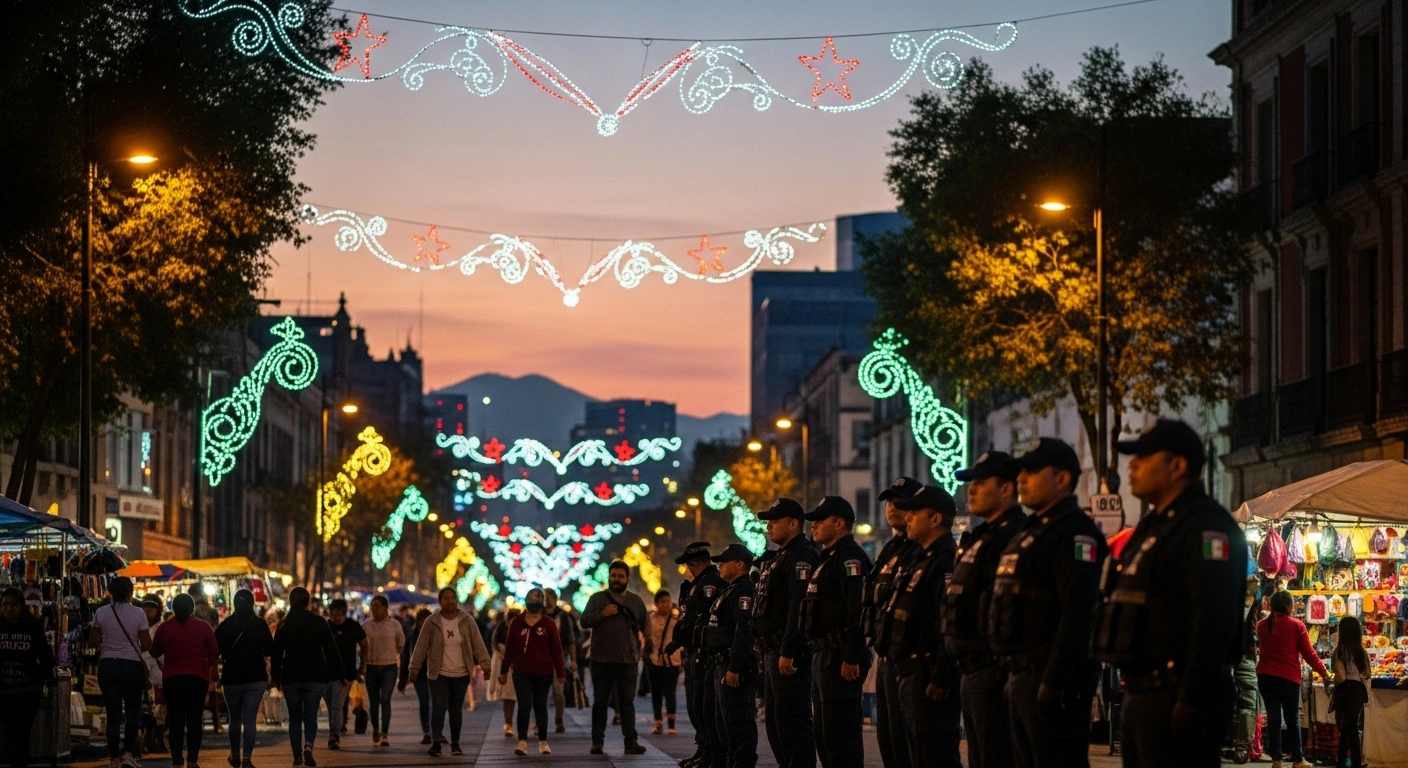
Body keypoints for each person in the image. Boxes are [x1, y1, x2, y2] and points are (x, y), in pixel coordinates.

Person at [1095, 419, 1249, 768]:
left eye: (1144, 457)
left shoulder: (1206, 526)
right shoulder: (1154, 526)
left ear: (1177, 466)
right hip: (1141, 691)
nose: (1131, 465)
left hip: (1177, 694)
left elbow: (1215, 617)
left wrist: (1191, 697)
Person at [988, 438, 1107, 768]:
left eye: (1032, 471)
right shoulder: (1033, 529)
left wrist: (1054, 679)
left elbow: (1077, 612)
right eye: (1020, 472)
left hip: (1052, 678)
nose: (1021, 478)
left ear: (1062, 478)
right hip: (1023, 672)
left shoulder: (1073, 532)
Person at [942, 453, 1024, 768]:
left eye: (980, 482)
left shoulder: (1014, 535)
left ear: (1006, 489)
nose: (971, 490)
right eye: (970, 484)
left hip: (994, 668)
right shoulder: (982, 536)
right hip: (972, 668)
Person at [886, 486, 961, 767]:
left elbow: (948, 622)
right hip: (909, 673)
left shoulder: (944, 561)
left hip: (928, 676)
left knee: (935, 755)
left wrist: (941, 675)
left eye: (915, 512)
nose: (908, 517)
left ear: (935, 519)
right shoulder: (920, 558)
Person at [800, 496, 871, 768]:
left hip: (839, 656)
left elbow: (858, 611)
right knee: (825, 735)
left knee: (841, 738)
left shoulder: (849, 558)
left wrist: (851, 656)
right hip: (824, 654)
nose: (814, 525)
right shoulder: (827, 558)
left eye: (820, 520)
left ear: (839, 523)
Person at [753, 497, 820, 768]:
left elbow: (798, 605)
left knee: (792, 722)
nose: (769, 527)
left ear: (794, 524)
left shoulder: (801, 556)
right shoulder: (782, 556)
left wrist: (788, 650)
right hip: (772, 648)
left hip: (787, 651)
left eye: (774, 521)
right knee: (777, 722)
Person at [863, 477, 921, 768]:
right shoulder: (890, 548)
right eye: (888, 502)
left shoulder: (920, 549)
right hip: (885, 655)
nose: (891, 508)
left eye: (899, 502)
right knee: (888, 738)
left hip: (908, 659)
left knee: (910, 744)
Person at [408, 587, 492, 757]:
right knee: (438, 708)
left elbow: (478, 644)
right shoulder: (432, 622)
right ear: (440, 601)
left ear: (457, 600)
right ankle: (436, 743)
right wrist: (414, 668)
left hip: (461, 674)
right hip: (438, 673)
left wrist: (486, 665)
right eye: (446, 598)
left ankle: (455, 743)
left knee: (455, 709)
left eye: (453, 598)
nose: (450, 601)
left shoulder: (466, 620)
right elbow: (421, 646)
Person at [581, 560, 650, 756]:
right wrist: (602, 614)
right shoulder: (597, 599)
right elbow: (584, 621)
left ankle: (630, 742)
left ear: (627, 578)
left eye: (621, 576)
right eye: (613, 576)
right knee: (600, 702)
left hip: (627, 661)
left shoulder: (636, 601)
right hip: (600, 660)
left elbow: (646, 624)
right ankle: (597, 743)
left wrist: (648, 646)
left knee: (627, 703)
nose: (617, 579)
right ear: (609, 578)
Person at [667, 542, 725, 768]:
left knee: (704, 707)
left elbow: (704, 617)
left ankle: (712, 753)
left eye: (686, 565)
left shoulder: (710, 583)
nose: (684, 569)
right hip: (692, 651)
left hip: (703, 652)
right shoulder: (693, 584)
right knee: (695, 706)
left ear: (694, 563)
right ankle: (703, 749)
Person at [270, 587, 343, 768]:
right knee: (311, 715)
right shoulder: (318, 622)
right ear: (308, 602)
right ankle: (309, 745)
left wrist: (276, 677)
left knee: (295, 718)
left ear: (290, 601)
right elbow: (331, 650)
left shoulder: (284, 625)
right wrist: (341, 673)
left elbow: (277, 653)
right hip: (315, 676)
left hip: (291, 677)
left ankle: (297, 758)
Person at [1256, 590, 1328, 768]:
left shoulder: (1261, 625)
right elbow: (1309, 654)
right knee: (1291, 719)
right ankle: (1297, 759)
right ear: (1289, 606)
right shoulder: (1297, 625)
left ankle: (1277, 760)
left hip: (1265, 677)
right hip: (1288, 678)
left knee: (1273, 718)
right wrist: (1324, 671)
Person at [704, 544, 759, 768]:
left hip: (734, 666)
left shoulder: (744, 590)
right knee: (724, 727)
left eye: (724, 562)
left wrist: (735, 666)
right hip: (722, 663)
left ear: (739, 564)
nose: (719, 566)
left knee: (738, 726)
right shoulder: (730, 589)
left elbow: (743, 629)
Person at [151, 594, 221, 768]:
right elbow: (215, 652)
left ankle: (176, 761)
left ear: (173, 609)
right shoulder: (203, 627)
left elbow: (154, 652)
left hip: (172, 679)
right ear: (192, 609)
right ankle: (192, 760)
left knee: (176, 721)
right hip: (197, 679)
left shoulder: (165, 628)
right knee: (194, 720)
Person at [91, 576, 153, 768]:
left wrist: (109, 645)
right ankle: (128, 753)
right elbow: (146, 644)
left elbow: (93, 642)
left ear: (111, 592)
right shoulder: (139, 613)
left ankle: (113, 759)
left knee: (113, 713)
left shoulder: (101, 612)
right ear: (130, 593)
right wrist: (130, 647)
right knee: (133, 712)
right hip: (131, 667)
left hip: (108, 666)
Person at [500, 587, 567, 756]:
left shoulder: (548, 623)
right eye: (532, 599)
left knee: (540, 705)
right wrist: (504, 670)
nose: (534, 602)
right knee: (524, 705)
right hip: (521, 671)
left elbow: (556, 649)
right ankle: (522, 741)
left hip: (544, 672)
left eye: (538, 599)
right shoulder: (516, 622)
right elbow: (510, 649)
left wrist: (560, 672)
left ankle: (543, 742)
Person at [216, 589, 273, 768]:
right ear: (252, 603)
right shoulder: (260, 624)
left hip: (232, 678)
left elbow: (216, 651)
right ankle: (247, 758)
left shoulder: (225, 625)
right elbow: (270, 650)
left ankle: (235, 755)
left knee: (235, 719)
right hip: (256, 678)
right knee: (249, 719)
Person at [0, 586, 56, 768]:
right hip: (3, 691)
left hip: (27, 692)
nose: (9, 609)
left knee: (22, 734)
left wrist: (40, 679)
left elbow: (47, 658)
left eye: (14, 605)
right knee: (9, 733)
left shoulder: (32, 626)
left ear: (21, 606)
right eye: (5, 604)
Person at [323, 599, 368, 750]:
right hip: (326, 673)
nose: (335, 618)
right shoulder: (326, 627)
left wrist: (362, 664)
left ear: (344, 614)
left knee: (336, 704)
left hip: (345, 673)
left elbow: (365, 644)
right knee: (331, 705)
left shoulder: (352, 626)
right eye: (332, 615)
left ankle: (334, 735)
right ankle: (336, 728)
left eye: (338, 615)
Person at [361, 594, 405, 747]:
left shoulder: (394, 625)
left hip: (389, 668)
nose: (374, 609)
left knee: (385, 699)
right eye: (372, 606)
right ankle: (376, 729)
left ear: (386, 608)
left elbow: (401, 644)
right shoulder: (365, 626)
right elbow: (360, 646)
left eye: (378, 606)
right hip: (371, 667)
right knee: (374, 701)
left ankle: (385, 733)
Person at [1331, 616, 1370, 768]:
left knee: (1345, 730)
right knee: (1352, 728)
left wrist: (1331, 682)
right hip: (1359, 692)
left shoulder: (1339, 651)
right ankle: (1356, 762)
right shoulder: (1362, 652)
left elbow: (1340, 677)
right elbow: (1366, 673)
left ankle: (1342, 763)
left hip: (1345, 691)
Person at [644, 590, 682, 735]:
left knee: (670, 691)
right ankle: (658, 722)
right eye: (662, 602)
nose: (666, 604)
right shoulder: (650, 620)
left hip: (672, 661)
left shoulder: (675, 621)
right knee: (656, 692)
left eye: (668, 601)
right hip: (653, 660)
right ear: (656, 604)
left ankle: (672, 724)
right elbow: (644, 638)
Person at [542, 589, 578, 733]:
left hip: (559, 657)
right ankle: (539, 722)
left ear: (556, 599)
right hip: (541, 658)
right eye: (545, 597)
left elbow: (571, 639)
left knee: (558, 692)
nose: (547, 600)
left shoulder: (563, 617)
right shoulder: (538, 614)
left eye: (550, 597)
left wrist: (574, 660)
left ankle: (559, 719)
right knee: (540, 693)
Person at [399, 608, 435, 745]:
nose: (424, 624)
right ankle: (427, 731)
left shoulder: (438, 636)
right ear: (418, 622)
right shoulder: (412, 638)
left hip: (436, 673)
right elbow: (405, 659)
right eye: (422, 621)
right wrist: (403, 679)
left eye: (427, 620)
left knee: (437, 703)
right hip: (419, 675)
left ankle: (436, 731)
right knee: (425, 701)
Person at [488, 608, 521, 738]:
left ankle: (512, 724)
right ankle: (508, 723)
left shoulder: (522, 628)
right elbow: (494, 644)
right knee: (506, 696)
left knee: (512, 696)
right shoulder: (500, 628)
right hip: (502, 663)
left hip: (516, 665)